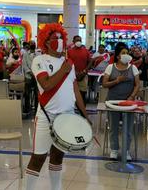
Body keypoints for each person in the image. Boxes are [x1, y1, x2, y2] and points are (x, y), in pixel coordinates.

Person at [25, 24, 89, 190]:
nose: (59, 42)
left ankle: (56, 187)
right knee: (38, 157)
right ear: (46, 42)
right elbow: (46, 85)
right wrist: (64, 70)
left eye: (61, 38)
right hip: (47, 117)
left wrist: (85, 114)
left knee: (57, 156)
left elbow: (75, 90)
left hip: (66, 117)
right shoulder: (39, 60)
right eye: (55, 39)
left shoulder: (69, 62)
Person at [102, 45, 140, 160]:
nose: (126, 55)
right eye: (124, 52)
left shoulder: (133, 68)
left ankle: (126, 150)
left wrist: (132, 96)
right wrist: (117, 80)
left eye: (127, 52)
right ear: (118, 56)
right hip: (112, 102)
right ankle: (114, 150)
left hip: (128, 103)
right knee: (113, 127)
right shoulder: (110, 67)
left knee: (128, 128)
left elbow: (137, 84)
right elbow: (104, 84)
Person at [67, 35, 91, 103]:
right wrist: (74, 73)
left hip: (83, 75)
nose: (79, 42)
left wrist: (84, 71)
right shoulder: (69, 51)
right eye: (77, 40)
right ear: (73, 41)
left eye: (80, 40)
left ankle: (82, 111)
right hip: (72, 76)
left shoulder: (85, 51)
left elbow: (90, 61)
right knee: (72, 94)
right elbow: (67, 63)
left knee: (83, 94)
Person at [22, 41, 37, 115]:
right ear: (29, 45)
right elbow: (24, 65)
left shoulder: (38, 54)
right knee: (27, 93)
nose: (32, 45)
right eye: (31, 44)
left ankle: (37, 109)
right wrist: (30, 72)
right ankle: (27, 108)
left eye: (33, 44)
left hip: (37, 76)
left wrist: (36, 72)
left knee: (37, 93)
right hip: (28, 76)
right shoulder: (25, 54)